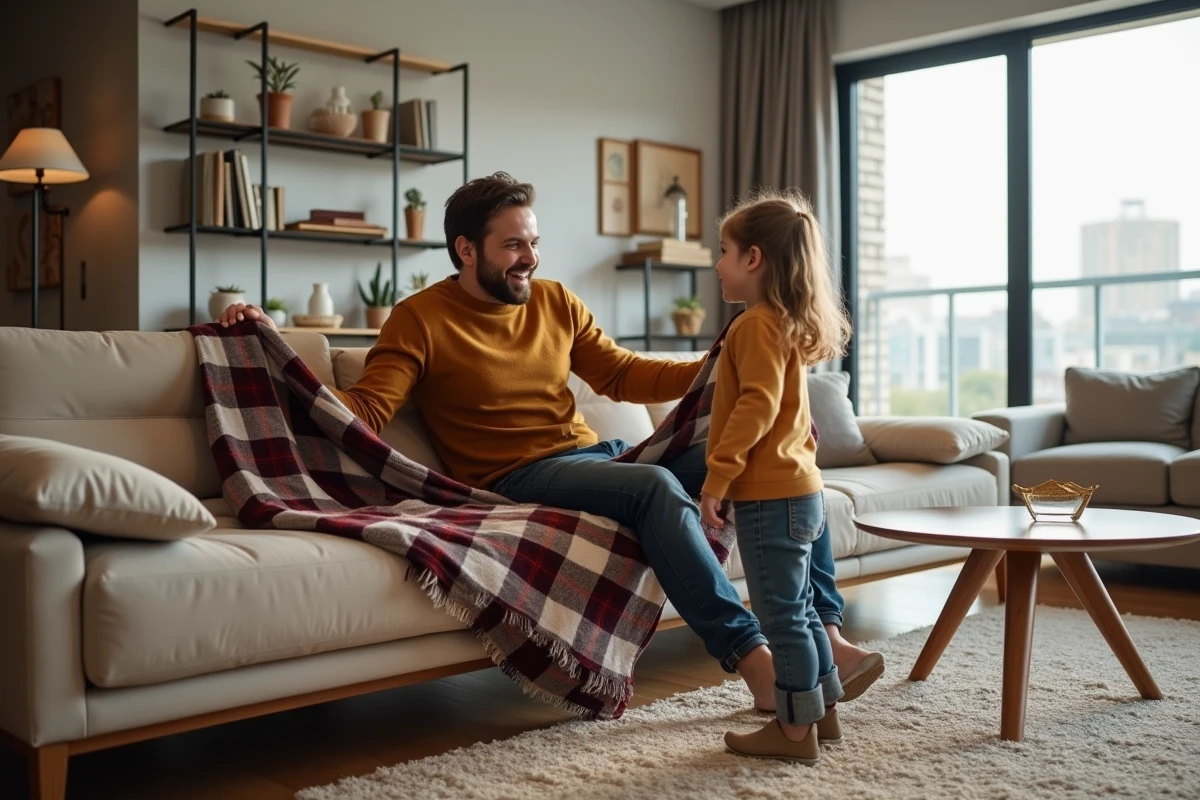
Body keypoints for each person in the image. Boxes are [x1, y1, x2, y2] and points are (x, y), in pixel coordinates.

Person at [215, 172, 882, 715]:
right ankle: (753, 659)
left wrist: (724, 362)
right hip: (518, 476)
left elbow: (622, 373)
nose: (529, 257)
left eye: (532, 242)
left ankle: (824, 631)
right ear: (465, 249)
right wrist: (273, 344)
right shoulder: (419, 318)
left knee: (784, 452)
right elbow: (361, 411)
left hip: (593, 461)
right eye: (512, 245)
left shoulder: (556, 301)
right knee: (655, 487)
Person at [699, 188, 871, 764]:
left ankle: (793, 733)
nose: (716, 263)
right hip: (802, 491)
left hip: (770, 495)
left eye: (722, 250)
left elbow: (757, 408)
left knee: (781, 615)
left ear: (753, 259)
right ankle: (823, 714)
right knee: (798, 608)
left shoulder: (752, 326)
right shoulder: (783, 324)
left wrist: (718, 478)